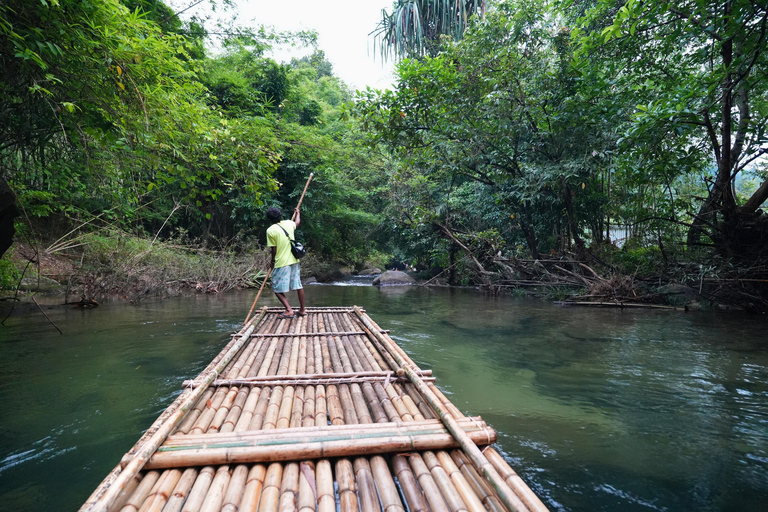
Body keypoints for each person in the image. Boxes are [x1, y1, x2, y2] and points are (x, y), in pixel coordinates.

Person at [266, 206, 306, 318]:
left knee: (276, 288)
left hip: (282, 262)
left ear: (269, 218)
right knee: (298, 285)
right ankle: (302, 310)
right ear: (280, 215)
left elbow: (274, 249)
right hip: (294, 260)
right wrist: (298, 213)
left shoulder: (270, 230)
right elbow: (297, 223)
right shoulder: (289, 223)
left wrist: (272, 261)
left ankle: (289, 310)